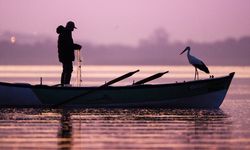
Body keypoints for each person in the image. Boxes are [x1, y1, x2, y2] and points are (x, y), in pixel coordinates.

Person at [56, 21, 82, 86]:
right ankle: (65, 85)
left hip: (64, 56)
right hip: (66, 56)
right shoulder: (66, 33)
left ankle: (63, 85)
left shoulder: (65, 33)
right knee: (68, 70)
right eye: (72, 28)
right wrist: (77, 46)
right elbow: (69, 45)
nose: (73, 29)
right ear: (69, 27)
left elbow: (68, 45)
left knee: (65, 70)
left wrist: (75, 46)